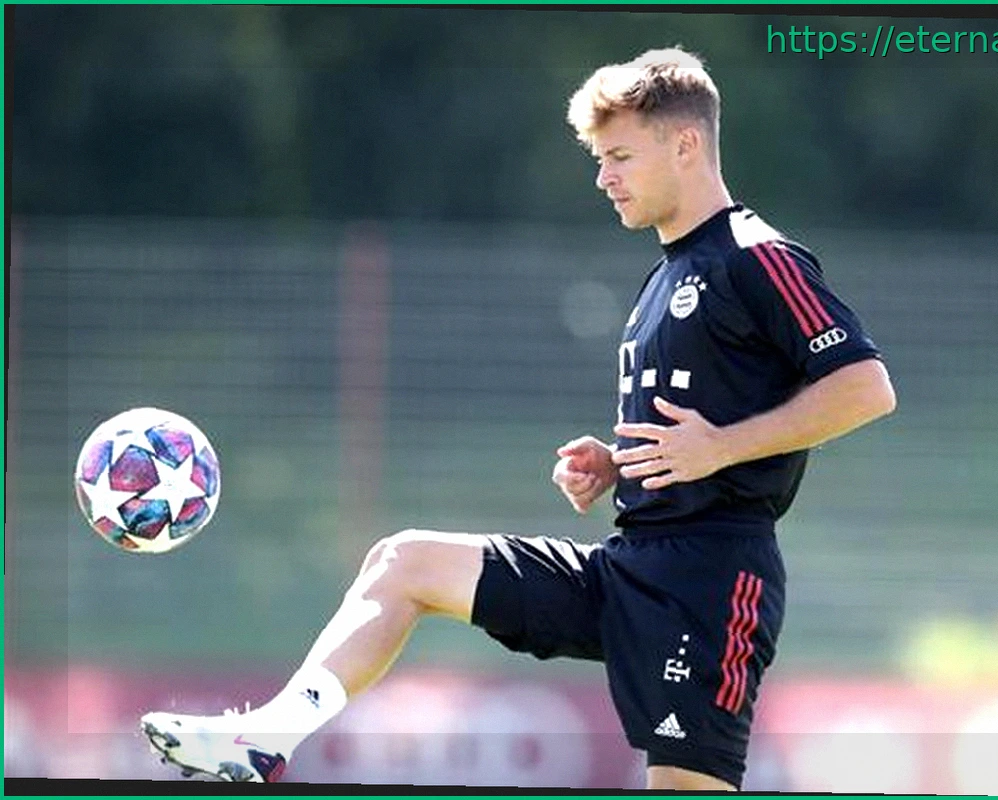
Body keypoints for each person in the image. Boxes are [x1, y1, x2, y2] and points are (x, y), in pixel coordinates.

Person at [140, 47, 896, 790]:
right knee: (404, 563)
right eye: (600, 159)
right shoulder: (664, 276)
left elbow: (866, 386)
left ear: (686, 144)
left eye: (620, 157)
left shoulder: (757, 256)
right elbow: (698, 422)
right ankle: (268, 738)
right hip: (629, 564)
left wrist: (720, 448)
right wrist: (618, 464)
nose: (603, 178)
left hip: (711, 584)